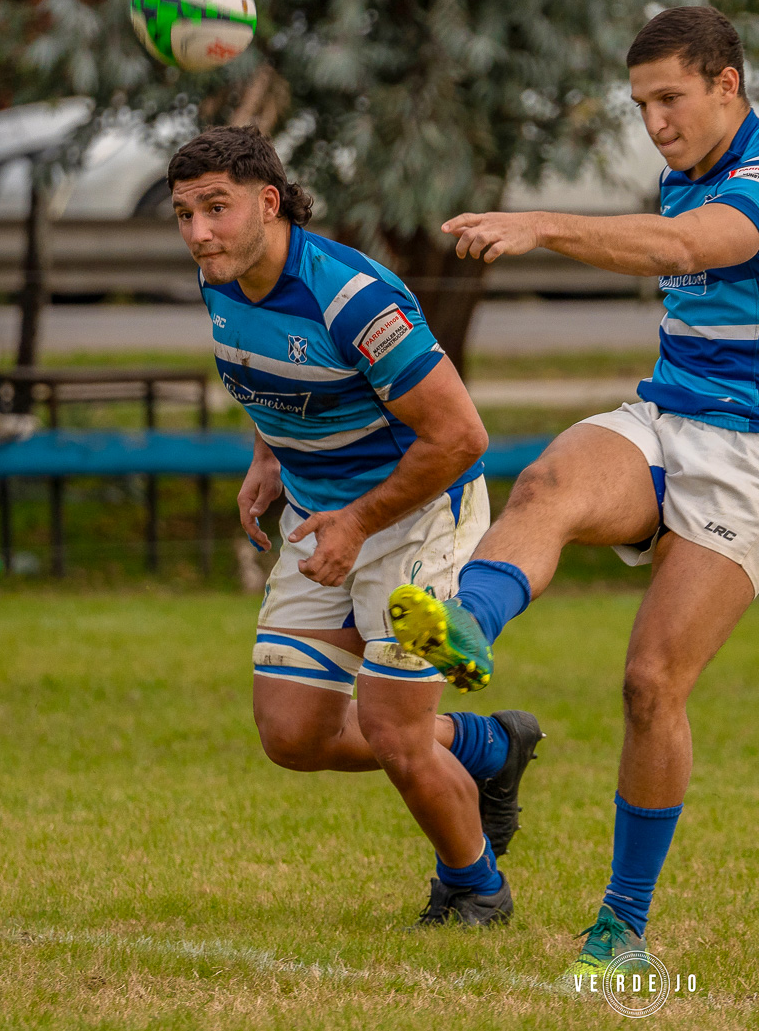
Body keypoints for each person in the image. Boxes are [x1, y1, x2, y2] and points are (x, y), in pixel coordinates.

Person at [381, 6, 759, 978]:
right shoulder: (684, 171)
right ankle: (464, 627)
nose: (655, 122)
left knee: (649, 684)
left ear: (727, 83)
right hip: (669, 418)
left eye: (669, 98)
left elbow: (685, 249)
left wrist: (543, 223)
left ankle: (622, 929)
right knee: (548, 477)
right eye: (641, 104)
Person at [168, 126, 543, 928]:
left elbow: (462, 438)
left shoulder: (353, 298)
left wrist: (359, 524)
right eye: (184, 214)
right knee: (293, 732)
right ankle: (482, 746)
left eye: (216, 209)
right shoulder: (222, 278)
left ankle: (476, 886)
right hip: (320, 513)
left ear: (268, 203)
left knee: (392, 729)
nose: (199, 232)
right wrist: (269, 454)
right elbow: (269, 369)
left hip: (415, 518)